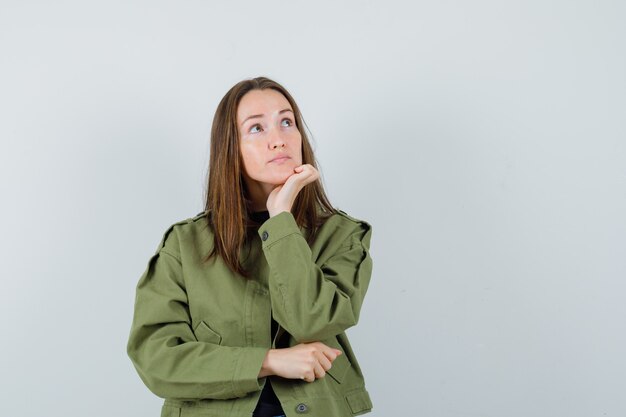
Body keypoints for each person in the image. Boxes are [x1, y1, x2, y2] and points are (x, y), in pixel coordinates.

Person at [126, 76, 374, 417]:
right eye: (257, 128)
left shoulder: (342, 234)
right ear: (231, 147)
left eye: (287, 122)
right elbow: (157, 359)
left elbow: (313, 323)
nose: (279, 140)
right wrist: (269, 361)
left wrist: (280, 221)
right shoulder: (185, 244)